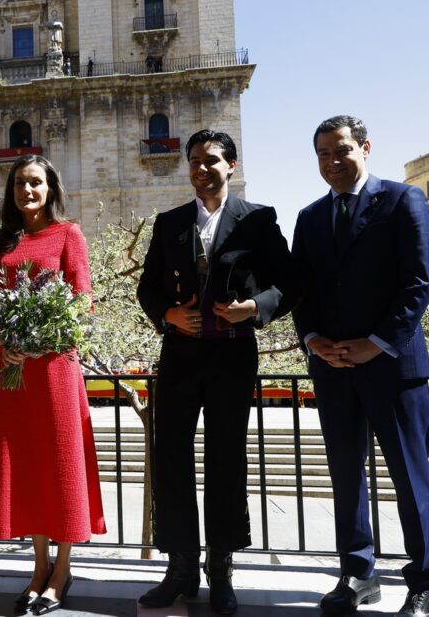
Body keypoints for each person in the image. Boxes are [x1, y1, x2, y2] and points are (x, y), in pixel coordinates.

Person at [136, 130, 295, 615]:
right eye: (194, 161)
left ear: (231, 165)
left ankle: (221, 570)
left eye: (211, 161)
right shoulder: (169, 223)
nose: (201, 169)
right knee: (172, 463)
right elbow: (148, 289)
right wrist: (167, 315)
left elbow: (289, 284)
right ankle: (180, 569)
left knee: (226, 461)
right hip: (180, 357)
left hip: (231, 356)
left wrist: (255, 307)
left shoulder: (259, 220)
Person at [292, 115, 429, 617]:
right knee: (346, 479)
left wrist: (377, 343)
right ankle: (358, 574)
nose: (332, 163)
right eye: (322, 155)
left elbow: (419, 282)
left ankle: (425, 585)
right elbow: (303, 291)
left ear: (365, 147)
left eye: (341, 151)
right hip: (333, 369)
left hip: (393, 368)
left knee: (411, 479)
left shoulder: (403, 200)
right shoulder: (310, 217)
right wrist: (313, 340)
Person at [0, 155, 106, 615]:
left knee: (60, 463)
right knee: (29, 465)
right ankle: (38, 567)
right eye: (19, 183)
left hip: (56, 369)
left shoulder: (68, 234)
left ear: (50, 188)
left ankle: (62, 570)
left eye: (35, 183)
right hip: (16, 373)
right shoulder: (4, 242)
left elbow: (82, 302)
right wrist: (7, 339)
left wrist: (43, 338)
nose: (26, 191)